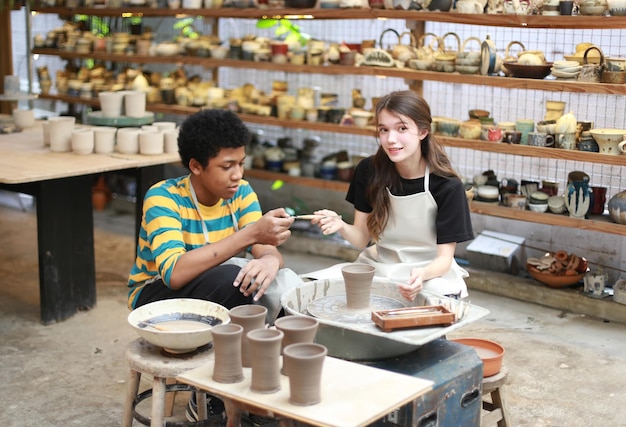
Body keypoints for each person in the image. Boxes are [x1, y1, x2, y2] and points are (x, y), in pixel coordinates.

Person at [126, 108, 302, 423]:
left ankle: (262, 385)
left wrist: (271, 260)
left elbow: (266, 250)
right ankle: (211, 397)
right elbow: (175, 273)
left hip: (216, 291)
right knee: (233, 278)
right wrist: (249, 235)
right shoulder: (164, 198)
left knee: (286, 285)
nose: (238, 175)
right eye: (227, 166)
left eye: (241, 164)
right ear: (196, 166)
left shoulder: (240, 193)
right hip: (156, 299)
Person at [307, 90, 474, 300]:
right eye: (384, 130)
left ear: (423, 131)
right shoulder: (369, 170)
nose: (390, 139)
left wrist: (422, 276)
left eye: (402, 128)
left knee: (437, 298)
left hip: (429, 273)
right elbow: (361, 239)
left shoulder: (447, 186)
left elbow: (444, 260)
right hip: (380, 267)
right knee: (312, 289)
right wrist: (340, 224)